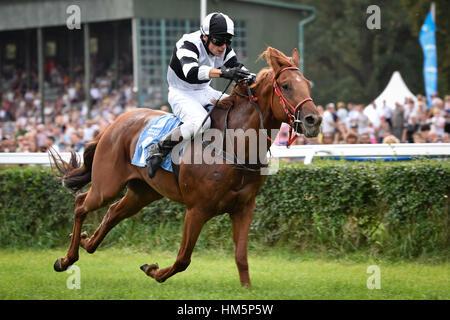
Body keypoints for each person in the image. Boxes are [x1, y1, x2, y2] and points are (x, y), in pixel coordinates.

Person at [145, 12, 250, 178]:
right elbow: (191, 72)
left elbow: (238, 68)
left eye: (227, 41)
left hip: (204, 91)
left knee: (241, 109)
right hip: (181, 93)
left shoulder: (222, 47)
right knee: (201, 122)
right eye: (218, 41)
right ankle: (159, 148)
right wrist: (224, 73)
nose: (223, 46)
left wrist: (255, 78)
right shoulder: (187, 44)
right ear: (204, 37)